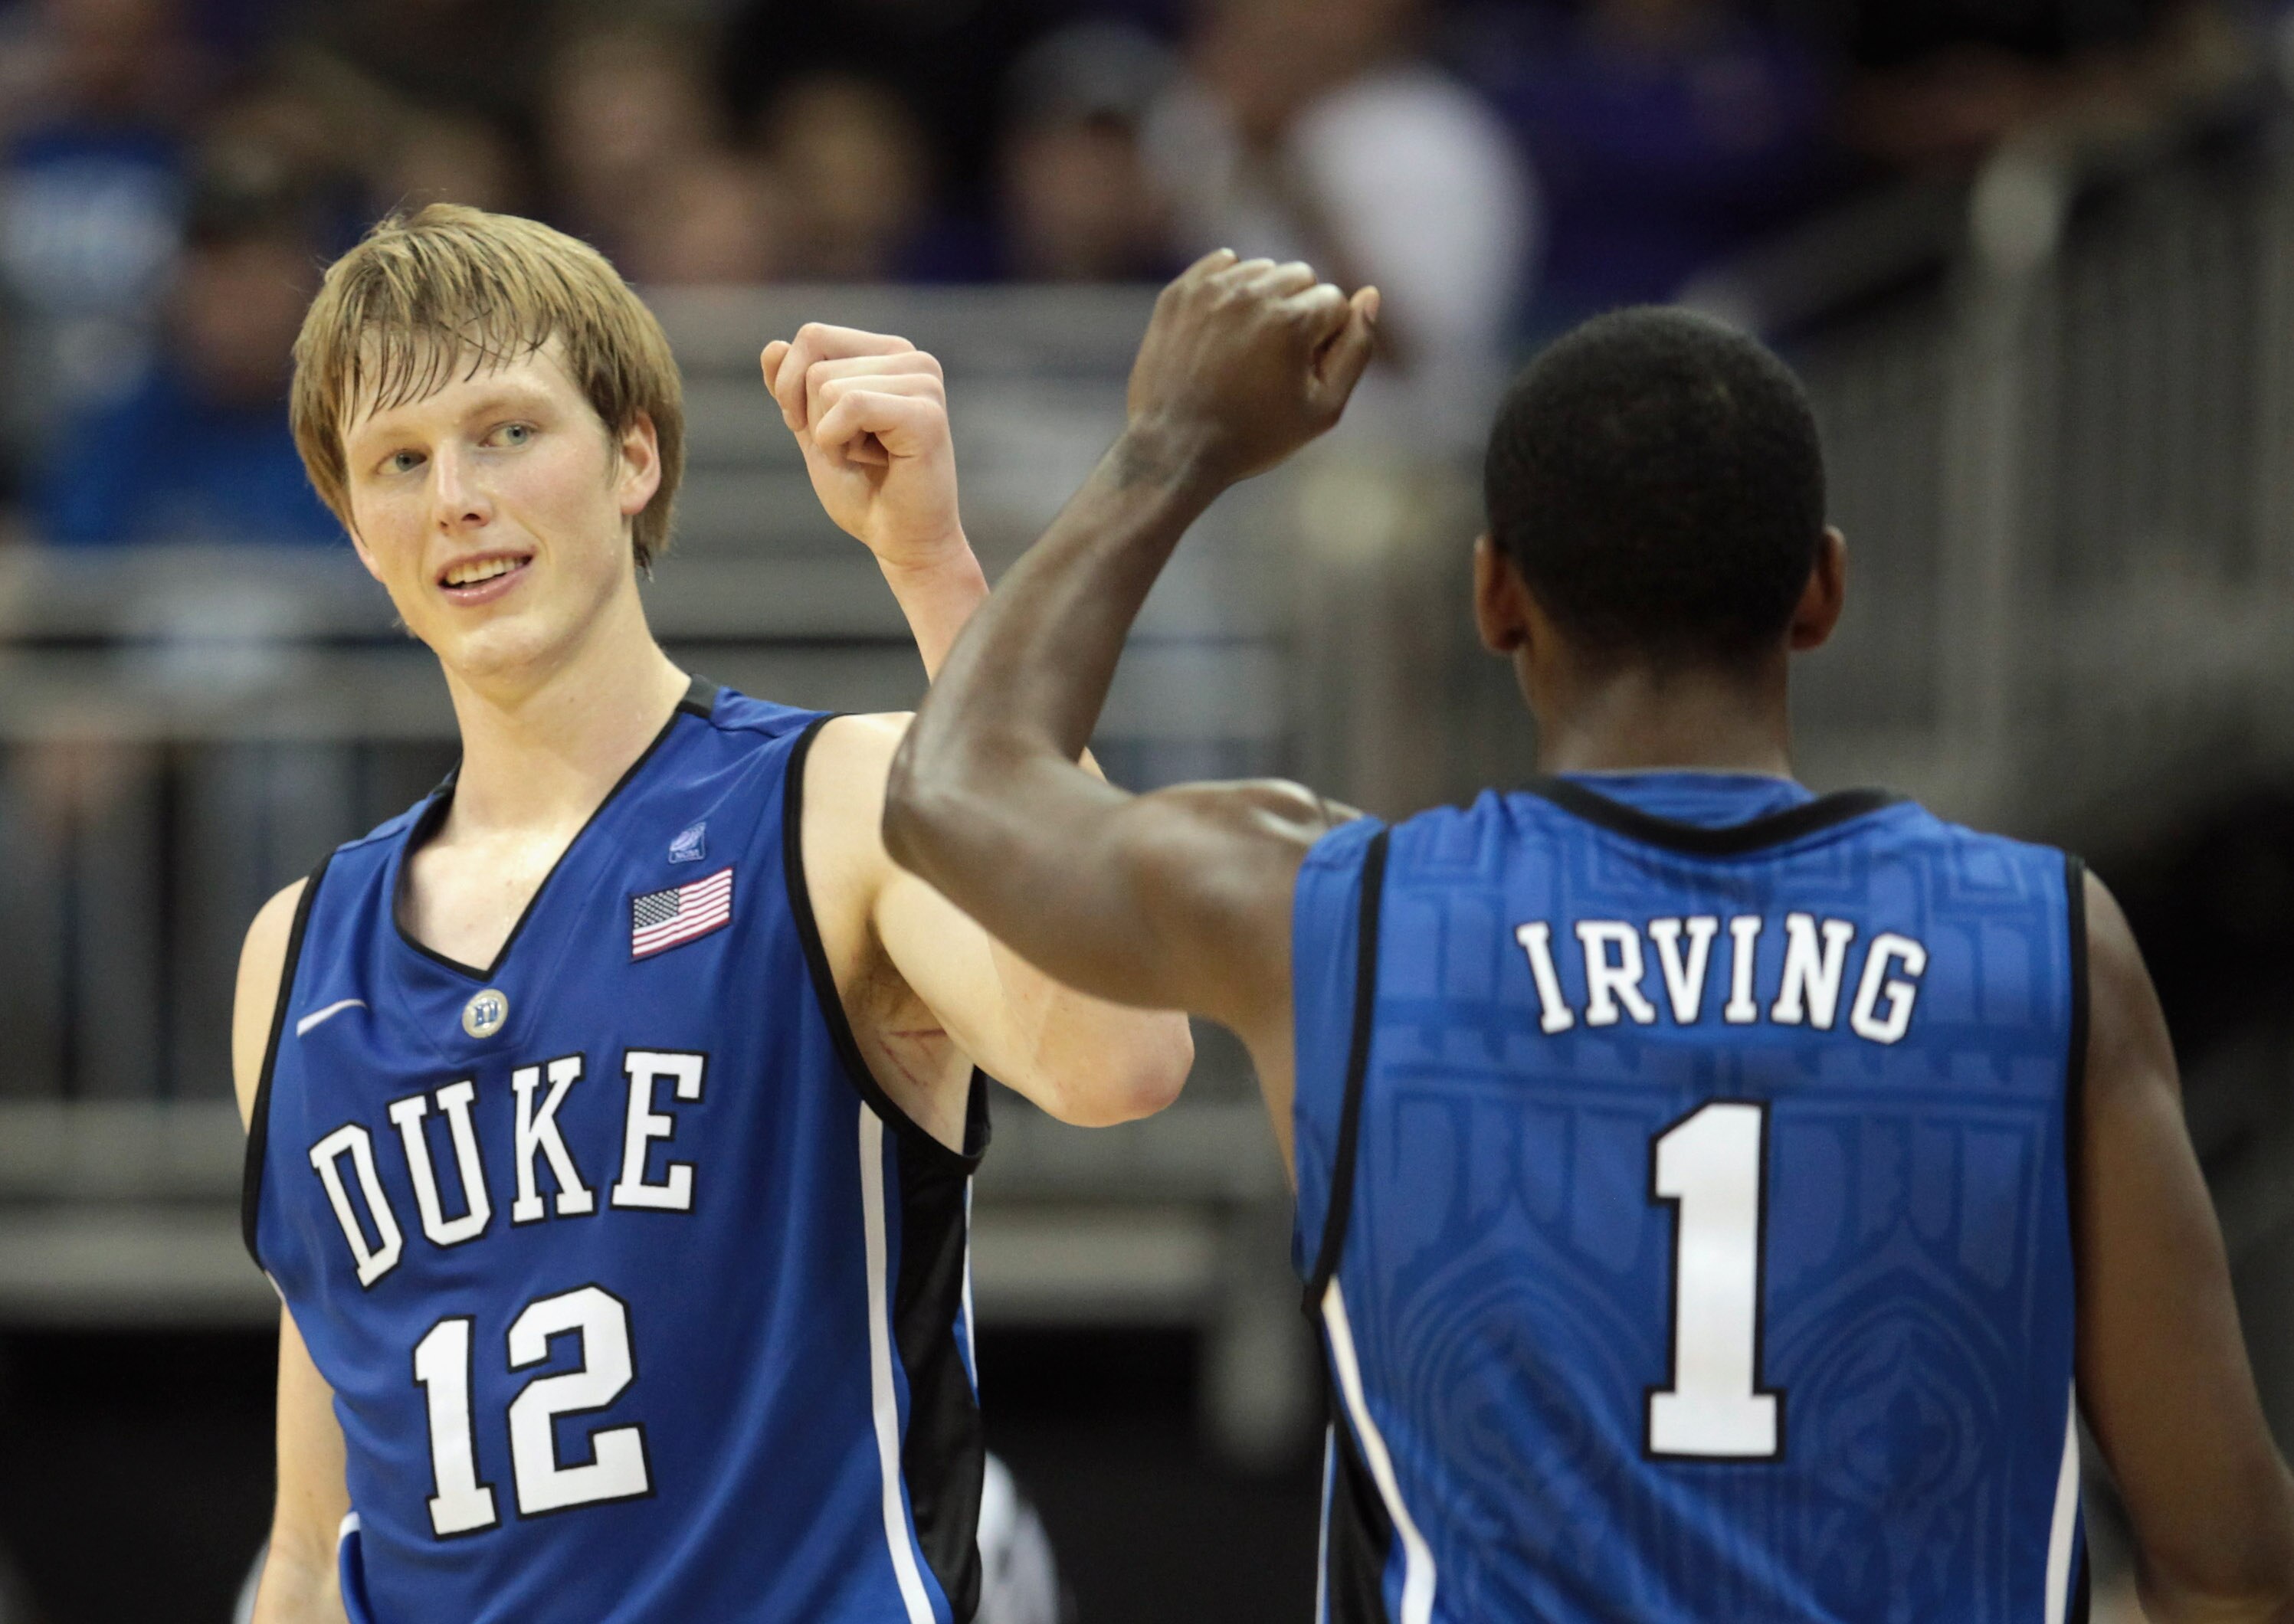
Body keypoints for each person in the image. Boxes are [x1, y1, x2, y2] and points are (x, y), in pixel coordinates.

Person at [882, 256, 2294, 1619]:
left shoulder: (1334, 918)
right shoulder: (2041, 947)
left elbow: (954, 791)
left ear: (1495, 595)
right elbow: (2230, 1559)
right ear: (1821, 591)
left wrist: (1174, 446)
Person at [233, 204, 1192, 1622]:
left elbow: (1125, 1056)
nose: (456, 499)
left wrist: (933, 571)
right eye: (400, 462)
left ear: (635, 455)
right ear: (359, 533)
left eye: (506, 432)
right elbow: (317, 1543)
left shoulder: (835, 802)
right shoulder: (300, 952)